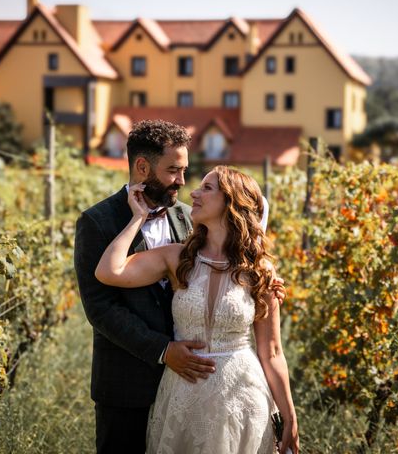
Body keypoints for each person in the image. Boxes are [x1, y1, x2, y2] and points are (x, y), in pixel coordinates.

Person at [96, 165, 300, 454]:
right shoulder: (178, 258)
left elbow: (273, 352)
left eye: (207, 188)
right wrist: (137, 218)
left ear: (232, 200)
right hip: (183, 396)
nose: (193, 193)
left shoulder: (260, 270)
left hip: (242, 398)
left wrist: (289, 415)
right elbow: (109, 271)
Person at [74, 120, 217, 453]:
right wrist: (164, 351)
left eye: (184, 170)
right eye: (172, 171)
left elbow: (215, 270)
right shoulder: (97, 222)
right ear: (142, 167)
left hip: (188, 384)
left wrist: (262, 282)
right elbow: (101, 310)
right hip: (125, 385)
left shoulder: (188, 217)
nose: (181, 181)